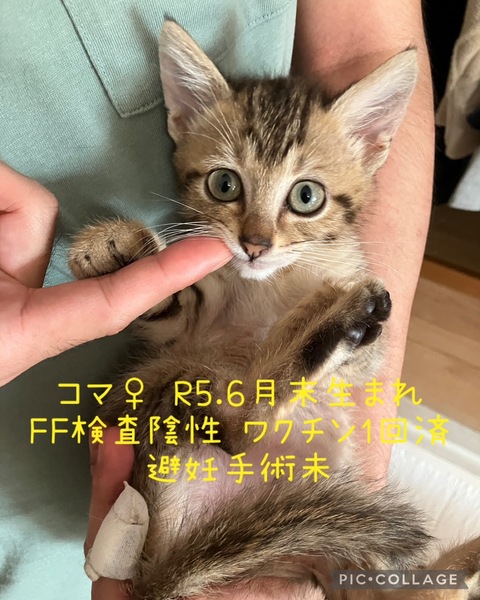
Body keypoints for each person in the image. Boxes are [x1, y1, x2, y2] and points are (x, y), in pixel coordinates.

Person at [0, 1, 434, 598]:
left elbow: (362, 45)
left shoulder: (331, 265)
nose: (257, 237)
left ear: (369, 143)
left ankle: (278, 383)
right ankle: (276, 382)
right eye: (226, 185)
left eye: (304, 198)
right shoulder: (211, 258)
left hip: (203, 491)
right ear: (184, 119)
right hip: (182, 485)